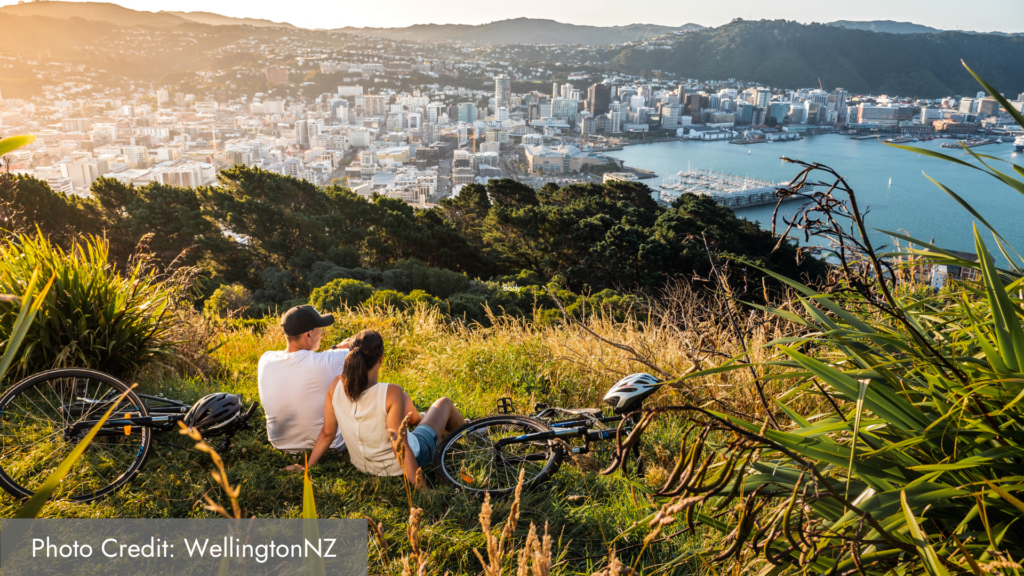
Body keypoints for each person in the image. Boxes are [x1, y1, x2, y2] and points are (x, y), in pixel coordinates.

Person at [294, 329, 465, 490]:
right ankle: (475, 432)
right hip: (404, 463)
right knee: (444, 403)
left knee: (408, 406)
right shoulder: (391, 392)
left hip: (363, 465)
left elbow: (327, 433)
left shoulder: (335, 386)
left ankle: (429, 423)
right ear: (381, 359)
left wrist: (307, 467)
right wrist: (423, 490)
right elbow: (400, 445)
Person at [258, 305, 350, 453]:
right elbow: (363, 348)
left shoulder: (265, 359)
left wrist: (334, 349)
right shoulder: (328, 362)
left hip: (280, 444)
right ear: (308, 335)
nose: (321, 332)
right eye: (319, 328)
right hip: (330, 446)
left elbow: (309, 361)